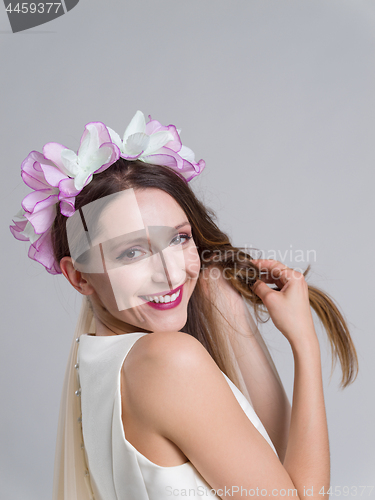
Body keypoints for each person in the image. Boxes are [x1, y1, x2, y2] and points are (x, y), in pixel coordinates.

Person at [10, 111, 358, 500]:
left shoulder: (97, 360)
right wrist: (305, 344)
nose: (170, 274)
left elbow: (275, 466)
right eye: (131, 252)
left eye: (178, 239)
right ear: (79, 277)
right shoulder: (167, 359)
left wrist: (216, 291)